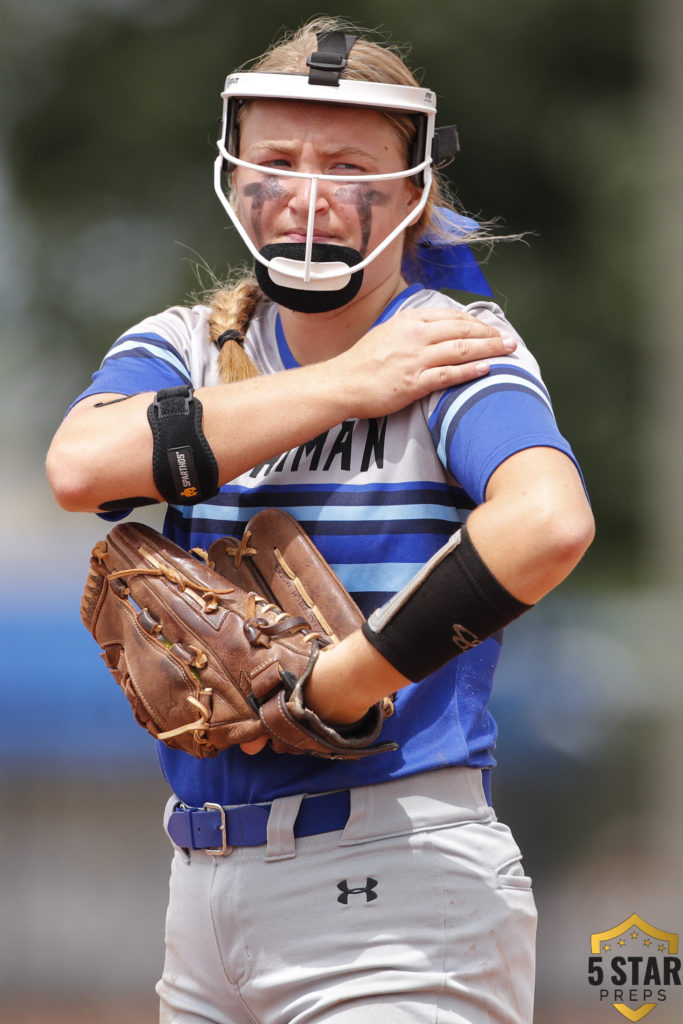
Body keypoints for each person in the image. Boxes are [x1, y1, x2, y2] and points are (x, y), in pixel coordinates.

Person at [46, 17, 594, 1024]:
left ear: (412, 192)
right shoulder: (186, 345)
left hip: (396, 888)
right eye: (276, 160)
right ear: (233, 175)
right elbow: (81, 466)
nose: (306, 192)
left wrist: (343, 681)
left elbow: (548, 522)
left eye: (347, 164)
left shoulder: (450, 345)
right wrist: (344, 385)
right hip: (201, 898)